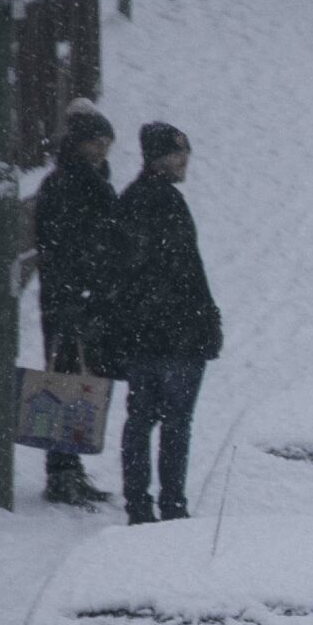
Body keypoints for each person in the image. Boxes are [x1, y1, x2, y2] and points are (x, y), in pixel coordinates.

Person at [112, 123, 221, 524]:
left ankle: (138, 503)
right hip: (177, 335)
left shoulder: (130, 200)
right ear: (158, 157)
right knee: (175, 422)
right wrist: (204, 322)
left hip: (144, 334)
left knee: (140, 419)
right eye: (178, 153)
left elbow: (123, 272)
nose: (184, 160)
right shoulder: (167, 204)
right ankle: (172, 504)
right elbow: (185, 272)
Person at [29, 103, 119, 507]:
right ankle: (61, 472)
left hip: (84, 297)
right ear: (79, 143)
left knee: (80, 383)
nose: (102, 150)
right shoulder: (65, 185)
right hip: (70, 300)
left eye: (106, 143)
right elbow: (61, 245)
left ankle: (71, 468)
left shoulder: (90, 181)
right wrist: (77, 290)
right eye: (96, 142)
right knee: (63, 384)